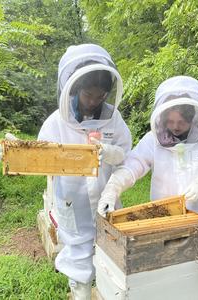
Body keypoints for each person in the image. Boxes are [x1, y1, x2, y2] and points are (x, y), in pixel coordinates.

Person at [38, 44, 132, 299]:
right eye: (88, 94)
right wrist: (18, 152)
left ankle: (105, 291)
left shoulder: (114, 118)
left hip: (106, 196)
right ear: (76, 88)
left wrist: (111, 152)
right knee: (78, 249)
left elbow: (126, 153)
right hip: (71, 199)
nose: (93, 102)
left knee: (109, 247)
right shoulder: (57, 121)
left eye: (100, 96)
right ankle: (79, 293)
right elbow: (40, 158)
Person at [97, 75, 198, 217]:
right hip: (162, 215)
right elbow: (131, 167)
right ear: (163, 118)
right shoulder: (152, 140)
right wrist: (112, 189)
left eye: (181, 121)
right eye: (170, 121)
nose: (175, 127)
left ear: (191, 119)